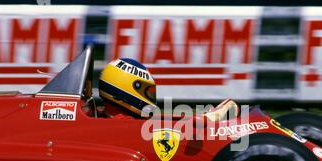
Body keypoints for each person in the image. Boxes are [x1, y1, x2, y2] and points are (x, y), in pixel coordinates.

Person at [98, 57, 239, 121]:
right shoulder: (123, 124)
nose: (150, 96)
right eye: (146, 90)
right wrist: (205, 119)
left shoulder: (104, 115)